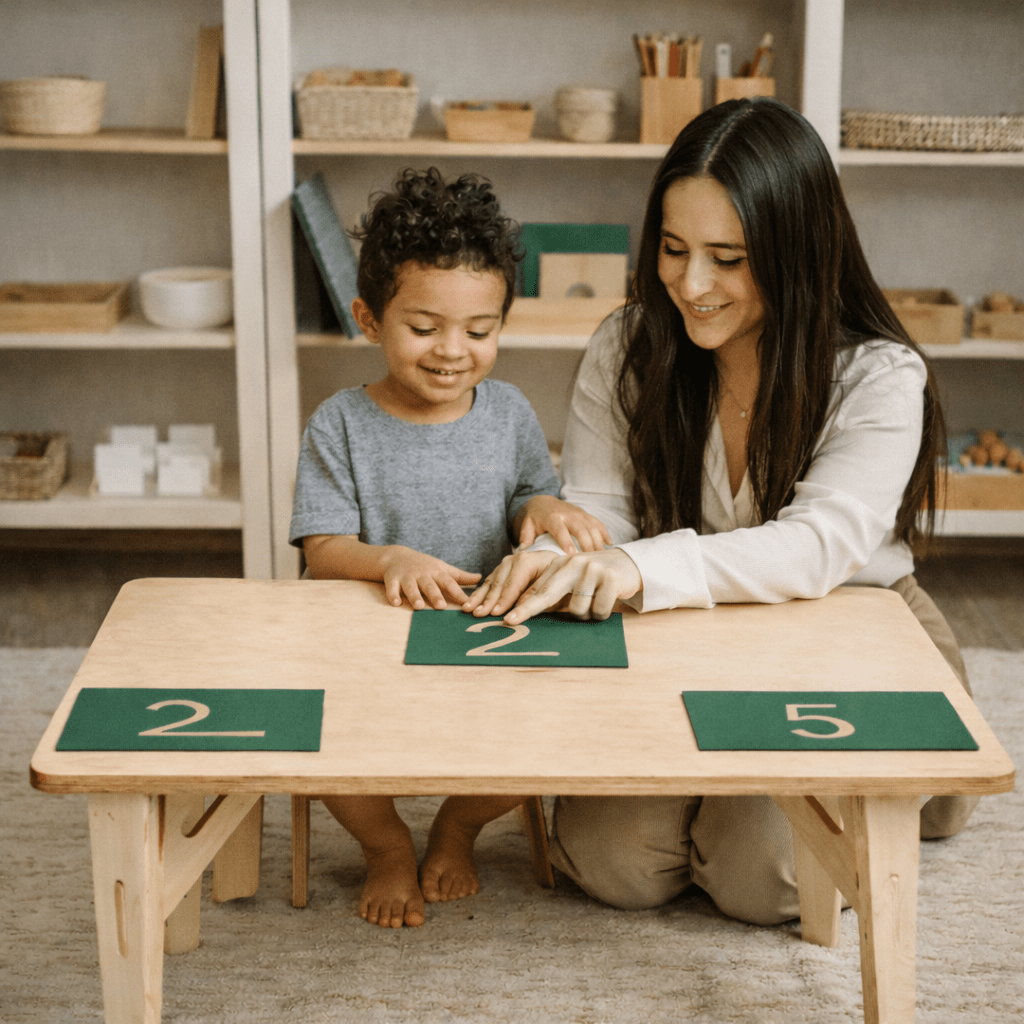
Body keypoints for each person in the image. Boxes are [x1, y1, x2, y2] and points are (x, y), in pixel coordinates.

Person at [463, 98, 978, 926]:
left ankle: (905, 788)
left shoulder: (878, 374)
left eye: (728, 259)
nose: (691, 285)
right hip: (686, 627)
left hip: (847, 619)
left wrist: (635, 567)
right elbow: (602, 516)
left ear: (796, 254)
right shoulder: (628, 344)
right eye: (673, 249)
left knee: (762, 875)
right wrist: (560, 555)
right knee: (611, 862)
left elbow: (817, 548)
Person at [289, 167, 610, 928]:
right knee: (329, 757)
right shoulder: (339, 422)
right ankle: (386, 847)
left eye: (480, 330)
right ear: (369, 319)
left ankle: (458, 825)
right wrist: (391, 559)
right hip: (372, 649)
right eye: (423, 327)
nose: (452, 352)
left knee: (545, 746)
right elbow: (324, 549)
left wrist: (546, 505)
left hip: (486, 639)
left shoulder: (508, 412)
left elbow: (525, 498)